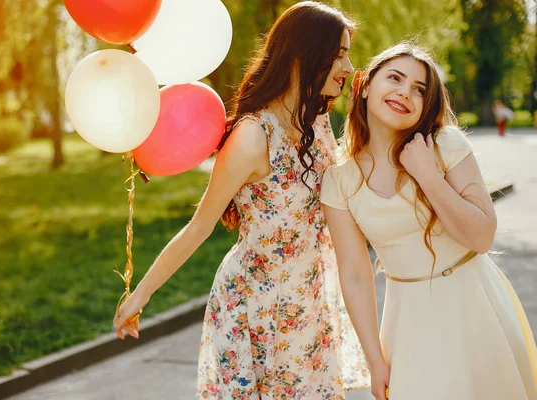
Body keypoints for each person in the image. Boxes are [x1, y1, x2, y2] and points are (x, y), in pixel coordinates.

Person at [113, 2, 371, 398]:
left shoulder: (315, 121)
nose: (349, 66)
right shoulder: (253, 137)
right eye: (339, 54)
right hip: (256, 308)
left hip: (308, 303)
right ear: (302, 55)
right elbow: (199, 226)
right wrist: (139, 296)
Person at [321, 42, 537, 400]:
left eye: (419, 90)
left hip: (476, 305)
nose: (405, 93)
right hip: (408, 322)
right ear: (363, 85)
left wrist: (428, 175)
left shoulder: (445, 145)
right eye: (395, 78)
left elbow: (482, 237)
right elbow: (356, 276)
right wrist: (374, 361)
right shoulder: (339, 180)